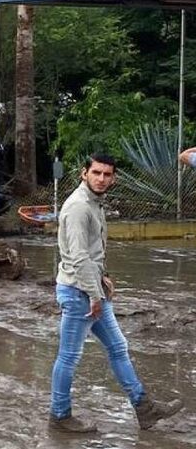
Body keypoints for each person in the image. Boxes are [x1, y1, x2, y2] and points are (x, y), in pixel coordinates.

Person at [49, 154, 183, 433]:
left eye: (107, 174)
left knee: (118, 348)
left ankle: (144, 408)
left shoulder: (94, 203)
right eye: (96, 173)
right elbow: (78, 257)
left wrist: (103, 276)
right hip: (79, 293)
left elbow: (94, 250)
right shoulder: (78, 207)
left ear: (114, 178)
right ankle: (60, 415)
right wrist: (95, 296)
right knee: (69, 357)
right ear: (84, 173)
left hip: (90, 289)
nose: (101, 179)